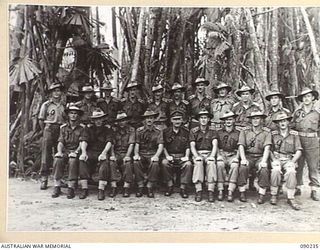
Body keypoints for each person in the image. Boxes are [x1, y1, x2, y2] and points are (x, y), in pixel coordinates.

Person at [51, 104, 89, 199]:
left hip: (77, 151)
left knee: (72, 160)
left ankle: (71, 187)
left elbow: (82, 142)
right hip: (66, 151)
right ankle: (57, 186)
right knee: (58, 159)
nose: (73, 115)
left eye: (75, 113)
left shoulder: (82, 128)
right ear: (68, 115)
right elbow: (60, 142)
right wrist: (59, 152)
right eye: (71, 113)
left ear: (78, 115)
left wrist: (76, 152)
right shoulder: (63, 128)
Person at [84, 109, 120, 200]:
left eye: (100, 119)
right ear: (93, 120)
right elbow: (84, 140)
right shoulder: (88, 129)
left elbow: (109, 142)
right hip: (91, 151)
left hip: (102, 151)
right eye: (96, 119)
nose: (98, 121)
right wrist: (84, 152)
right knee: (82, 160)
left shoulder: (107, 129)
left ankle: (101, 189)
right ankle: (84, 188)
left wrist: (104, 153)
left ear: (103, 119)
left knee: (104, 162)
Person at [237, 110, 272, 204]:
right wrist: (243, 159)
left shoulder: (266, 132)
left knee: (264, 169)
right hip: (248, 156)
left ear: (261, 120)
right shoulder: (245, 131)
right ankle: (242, 192)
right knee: (243, 167)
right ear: (251, 120)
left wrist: (264, 161)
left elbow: (267, 147)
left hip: (260, 156)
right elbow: (241, 146)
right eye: (253, 119)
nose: (255, 120)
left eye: (257, 118)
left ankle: (261, 193)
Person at [270, 112, 302, 210]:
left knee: (291, 171)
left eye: (284, 121)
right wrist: (274, 159)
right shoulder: (273, 134)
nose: (282, 123)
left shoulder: (294, 134)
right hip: (277, 158)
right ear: (277, 124)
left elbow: (299, 150)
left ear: (288, 122)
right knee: (275, 170)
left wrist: (292, 161)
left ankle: (290, 197)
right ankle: (274, 194)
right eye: (280, 121)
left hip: (289, 159)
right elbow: (269, 150)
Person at [292, 87, 320, 201]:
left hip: (312, 141)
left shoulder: (317, 113)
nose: (306, 99)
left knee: (313, 166)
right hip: (299, 139)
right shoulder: (297, 113)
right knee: (299, 165)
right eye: (304, 97)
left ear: (313, 98)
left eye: (308, 96)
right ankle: (298, 187)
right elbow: (292, 125)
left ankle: (314, 189)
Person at [38, 82, 66, 190]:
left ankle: (58, 177)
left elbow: (65, 118)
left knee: (59, 153)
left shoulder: (64, 105)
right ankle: (44, 178)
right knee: (46, 154)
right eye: (54, 91)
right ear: (51, 93)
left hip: (60, 130)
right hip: (49, 129)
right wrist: (45, 130)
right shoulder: (46, 105)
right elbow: (41, 119)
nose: (57, 93)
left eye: (58, 90)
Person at [161, 110, 193, 198]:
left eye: (179, 119)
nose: (177, 121)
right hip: (170, 155)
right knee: (164, 163)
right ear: (171, 120)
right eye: (175, 119)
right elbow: (163, 146)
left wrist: (186, 156)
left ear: (182, 120)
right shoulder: (165, 132)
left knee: (188, 164)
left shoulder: (186, 132)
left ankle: (183, 188)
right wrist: (167, 155)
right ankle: (170, 185)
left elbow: (188, 146)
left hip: (181, 155)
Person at [189, 108, 218, 202]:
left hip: (209, 152)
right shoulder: (194, 131)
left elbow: (215, 145)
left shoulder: (213, 131)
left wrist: (212, 156)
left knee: (211, 164)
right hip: (198, 153)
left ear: (209, 119)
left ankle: (211, 190)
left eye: (205, 118)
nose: (203, 120)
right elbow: (192, 146)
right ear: (198, 119)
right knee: (198, 163)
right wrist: (196, 156)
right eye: (201, 118)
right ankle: (199, 190)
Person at [133, 110, 164, 198]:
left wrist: (156, 156)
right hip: (142, 153)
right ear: (144, 120)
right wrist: (136, 154)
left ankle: (150, 186)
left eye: (151, 118)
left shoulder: (158, 131)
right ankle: (140, 186)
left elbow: (160, 145)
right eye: (147, 118)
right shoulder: (139, 131)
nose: (149, 120)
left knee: (155, 164)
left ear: (154, 119)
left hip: (152, 153)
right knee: (135, 162)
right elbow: (137, 144)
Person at [109, 111, 135, 198]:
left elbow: (131, 144)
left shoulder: (131, 130)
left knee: (127, 163)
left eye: (123, 120)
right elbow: (111, 144)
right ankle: (114, 186)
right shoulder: (114, 130)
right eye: (120, 121)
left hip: (126, 152)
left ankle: (126, 187)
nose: (121, 122)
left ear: (126, 120)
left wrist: (127, 156)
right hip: (116, 152)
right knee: (111, 163)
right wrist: (112, 155)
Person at [216, 110, 240, 202]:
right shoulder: (219, 132)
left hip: (233, 154)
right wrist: (218, 155)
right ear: (224, 122)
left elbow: (240, 146)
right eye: (226, 120)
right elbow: (216, 146)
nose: (228, 122)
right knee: (219, 165)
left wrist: (237, 158)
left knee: (235, 165)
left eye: (230, 119)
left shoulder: (238, 133)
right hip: (222, 153)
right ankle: (220, 190)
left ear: (234, 120)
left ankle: (230, 190)